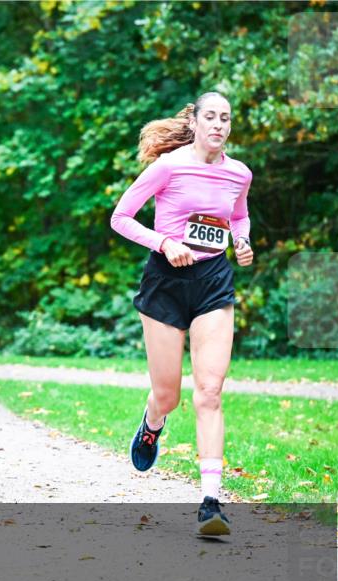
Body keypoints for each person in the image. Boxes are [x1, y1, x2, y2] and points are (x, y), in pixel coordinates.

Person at [110, 92, 254, 537]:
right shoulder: (168, 166)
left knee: (210, 391)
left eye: (225, 118)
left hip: (213, 280)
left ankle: (211, 501)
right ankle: (154, 422)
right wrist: (164, 242)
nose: (218, 125)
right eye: (210, 117)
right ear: (195, 123)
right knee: (168, 394)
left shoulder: (239, 173)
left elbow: (239, 215)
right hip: (166, 281)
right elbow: (121, 217)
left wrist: (242, 242)